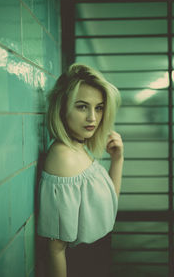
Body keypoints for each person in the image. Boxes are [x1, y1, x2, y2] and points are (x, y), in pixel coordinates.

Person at [37, 63, 124, 277]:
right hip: (82, 266)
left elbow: (108, 205)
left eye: (99, 107)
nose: (92, 118)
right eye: (82, 106)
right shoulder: (63, 157)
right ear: (62, 107)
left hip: (99, 260)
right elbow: (56, 249)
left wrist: (117, 160)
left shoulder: (79, 147)